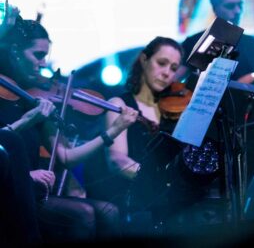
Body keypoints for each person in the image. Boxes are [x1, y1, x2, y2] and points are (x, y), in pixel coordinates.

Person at [0, 17, 138, 240]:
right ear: (15, 52)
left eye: (45, 56)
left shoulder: (36, 99)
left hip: (30, 192)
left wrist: (113, 131)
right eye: (38, 55)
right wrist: (26, 173)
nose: (43, 64)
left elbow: (66, 156)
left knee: (109, 212)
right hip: (9, 189)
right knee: (83, 214)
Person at [88, 37, 183, 217]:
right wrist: (162, 180)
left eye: (173, 68)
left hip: (163, 199)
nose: (167, 73)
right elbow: (117, 160)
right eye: (161, 63)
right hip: (129, 199)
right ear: (144, 60)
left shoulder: (173, 112)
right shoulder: (119, 104)